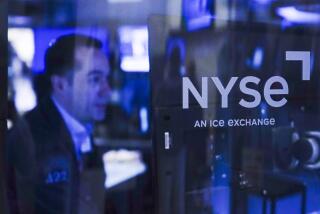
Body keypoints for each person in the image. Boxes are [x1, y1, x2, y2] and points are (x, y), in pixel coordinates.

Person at [7, 34, 111, 214]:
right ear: (61, 85)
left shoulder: (80, 132)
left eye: (106, 79)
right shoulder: (28, 141)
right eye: (95, 79)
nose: (107, 91)